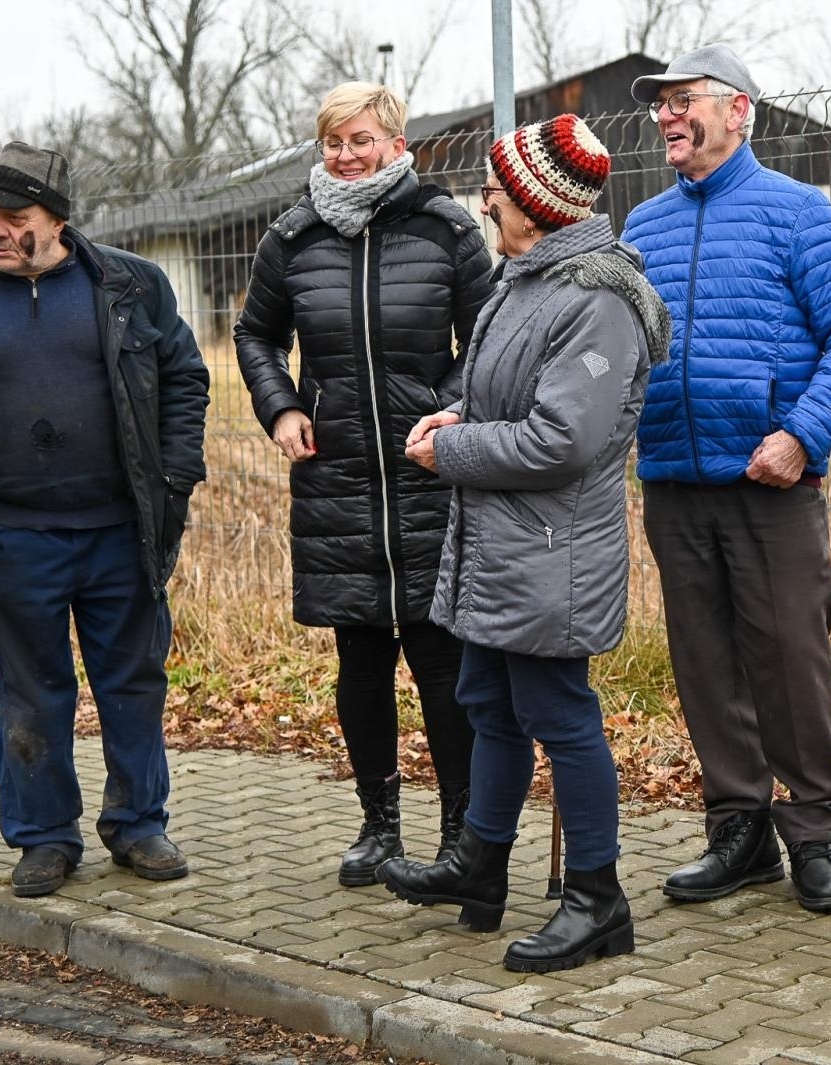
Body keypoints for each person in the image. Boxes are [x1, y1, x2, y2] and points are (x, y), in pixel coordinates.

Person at [376, 114, 667, 973]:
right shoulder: (525, 281)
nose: (484, 206)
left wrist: (451, 452)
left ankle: (596, 898)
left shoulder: (598, 300)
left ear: (535, 205)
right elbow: (505, 395)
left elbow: (562, 442)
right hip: (503, 547)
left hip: (553, 555)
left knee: (560, 717)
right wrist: (457, 416)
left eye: (495, 194)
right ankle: (482, 864)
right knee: (488, 702)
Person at [0, 142, 210, 898]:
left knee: (133, 680)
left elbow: (185, 381)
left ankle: (138, 824)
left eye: (14, 217)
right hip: (13, 534)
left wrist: (172, 479)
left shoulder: (132, 286)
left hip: (119, 529)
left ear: (58, 220)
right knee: (31, 690)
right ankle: (44, 837)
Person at [620, 45, 831, 912]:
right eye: (659, 105)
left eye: (681, 100)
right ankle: (737, 832)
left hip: (772, 483)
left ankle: (812, 834)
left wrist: (803, 436)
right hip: (673, 480)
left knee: (791, 664)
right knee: (705, 666)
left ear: (738, 110)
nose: (666, 115)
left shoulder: (796, 212)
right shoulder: (642, 229)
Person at [234, 82, 494, 886]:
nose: (345, 156)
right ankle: (378, 824)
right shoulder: (292, 236)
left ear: (395, 140)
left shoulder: (446, 226)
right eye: (332, 143)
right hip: (337, 479)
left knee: (442, 663)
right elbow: (255, 334)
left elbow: (488, 334)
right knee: (360, 663)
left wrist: (446, 411)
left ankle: (460, 831)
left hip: (427, 475)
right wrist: (280, 407)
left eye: (360, 140)